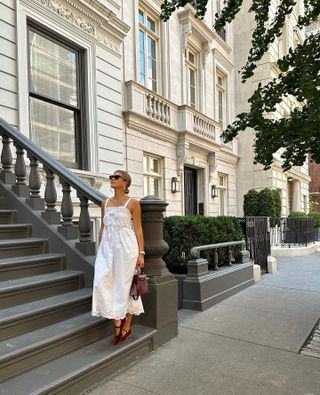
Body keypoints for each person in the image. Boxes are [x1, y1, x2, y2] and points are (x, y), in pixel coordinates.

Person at [92, 170, 145, 345]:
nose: (112, 180)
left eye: (116, 177)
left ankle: (126, 325)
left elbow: (137, 229)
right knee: (101, 282)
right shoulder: (104, 203)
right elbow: (102, 229)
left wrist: (141, 253)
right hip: (107, 250)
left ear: (125, 182)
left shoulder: (133, 203)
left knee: (126, 287)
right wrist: (101, 251)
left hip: (127, 249)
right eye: (111, 177)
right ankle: (117, 322)